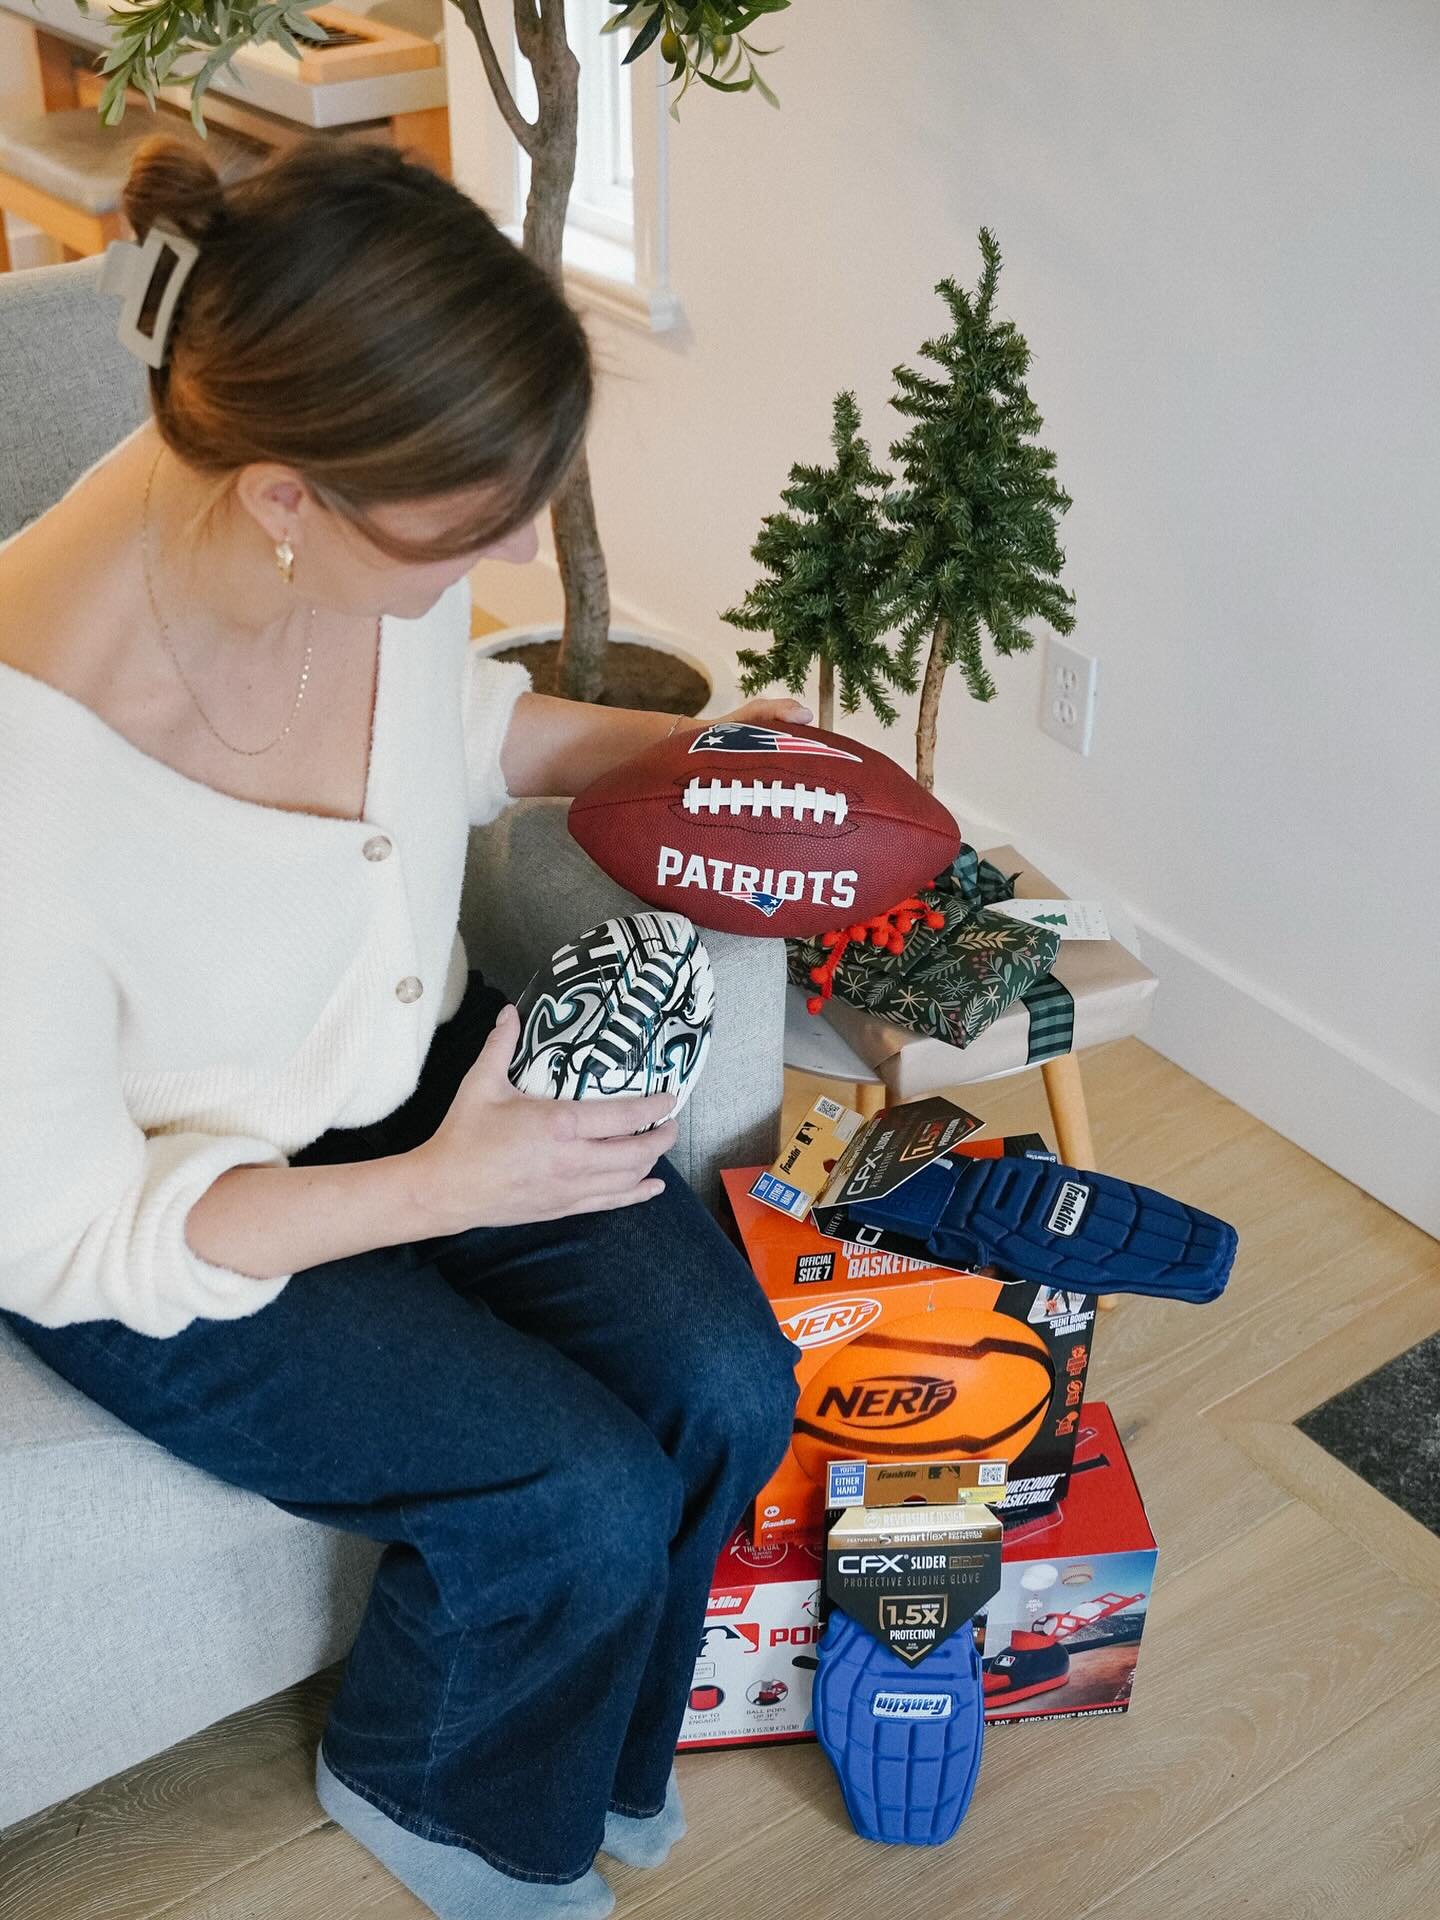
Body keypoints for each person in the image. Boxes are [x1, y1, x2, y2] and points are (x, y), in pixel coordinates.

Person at [0, 134, 810, 1920]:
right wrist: (454, 1186)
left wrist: (705, 763)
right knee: (575, 1495)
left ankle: (589, 1750)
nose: (517, 551)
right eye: (472, 527)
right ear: (287, 497)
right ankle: (432, 1786)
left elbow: (454, 740)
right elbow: (72, 1237)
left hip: (401, 1063)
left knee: (731, 1383)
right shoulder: (22, 784)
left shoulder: (325, 505)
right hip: (180, 1210)